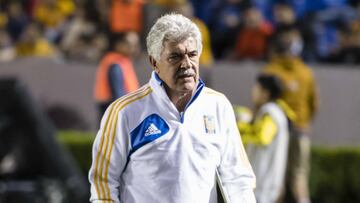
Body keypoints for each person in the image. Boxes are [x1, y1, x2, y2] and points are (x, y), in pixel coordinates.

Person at [89, 13, 256, 202]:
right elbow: (103, 183)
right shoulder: (124, 111)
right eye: (175, 57)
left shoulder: (218, 105)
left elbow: (238, 179)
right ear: (154, 62)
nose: (186, 64)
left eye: (192, 55)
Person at [262, 26, 319, 203]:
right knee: (299, 173)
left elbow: (263, 101)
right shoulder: (306, 72)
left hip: (277, 131)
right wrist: (304, 121)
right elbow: (314, 103)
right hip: (300, 128)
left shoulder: (271, 71)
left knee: (276, 174)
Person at [235, 74, 296, 203]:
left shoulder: (270, 112)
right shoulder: (278, 110)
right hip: (267, 183)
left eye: (256, 88)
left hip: (264, 183)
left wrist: (238, 128)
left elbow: (262, 137)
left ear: (265, 93)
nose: (253, 92)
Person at [93, 32, 140, 121]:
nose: (134, 48)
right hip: (113, 105)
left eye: (136, 45)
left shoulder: (123, 60)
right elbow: (117, 90)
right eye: (130, 45)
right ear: (119, 45)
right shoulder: (115, 63)